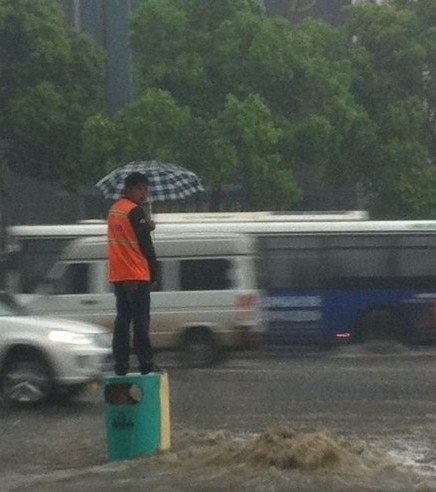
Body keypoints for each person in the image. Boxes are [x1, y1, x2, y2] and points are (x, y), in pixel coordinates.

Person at [107, 172, 159, 375]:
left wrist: (146, 222)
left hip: (119, 276)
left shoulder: (114, 211)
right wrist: (154, 275)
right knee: (140, 323)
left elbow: (127, 235)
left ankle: (120, 365)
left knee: (122, 322)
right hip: (137, 274)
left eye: (145, 190)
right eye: (140, 189)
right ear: (128, 189)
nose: (144, 194)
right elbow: (146, 247)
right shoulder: (135, 211)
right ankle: (146, 364)